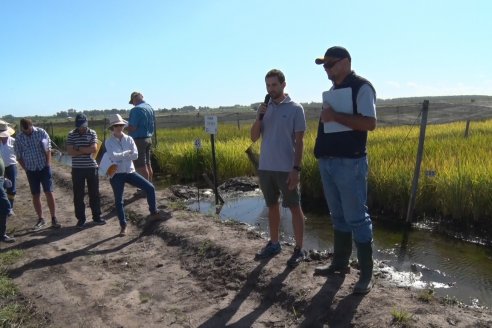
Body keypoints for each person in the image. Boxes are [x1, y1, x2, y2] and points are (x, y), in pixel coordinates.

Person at [312, 46, 377, 294]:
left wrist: (335, 116)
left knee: (357, 218)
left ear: (346, 62)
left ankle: (366, 275)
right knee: (338, 216)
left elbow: (370, 123)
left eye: (330, 64)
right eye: (324, 65)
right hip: (328, 161)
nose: (326, 69)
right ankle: (340, 264)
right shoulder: (333, 91)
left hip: (350, 163)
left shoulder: (362, 87)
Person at [250, 69, 307, 268]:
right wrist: (259, 117)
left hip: (286, 168)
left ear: (283, 84)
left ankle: (299, 249)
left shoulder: (295, 108)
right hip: (266, 167)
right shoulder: (264, 108)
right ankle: (274, 243)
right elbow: (253, 137)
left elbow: (299, 142)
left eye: (274, 85)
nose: (271, 89)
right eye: (268, 86)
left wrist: (296, 169)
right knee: (272, 205)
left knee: (294, 207)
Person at [105, 114, 160, 236]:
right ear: (112, 127)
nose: (119, 127)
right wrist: (126, 153)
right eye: (116, 125)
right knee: (119, 201)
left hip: (130, 171)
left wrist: (121, 155)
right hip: (116, 174)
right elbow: (113, 156)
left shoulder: (129, 139)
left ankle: (153, 212)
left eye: (121, 125)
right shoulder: (109, 142)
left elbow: (135, 155)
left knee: (150, 188)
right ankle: (123, 225)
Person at [14, 118, 61, 230]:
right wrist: (26, 168)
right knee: (35, 194)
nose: (27, 132)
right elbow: (19, 155)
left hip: (43, 167)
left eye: (29, 130)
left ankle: (54, 218)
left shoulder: (41, 132)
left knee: (48, 191)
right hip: (31, 170)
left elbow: (48, 149)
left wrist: (48, 164)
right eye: (25, 130)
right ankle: (41, 219)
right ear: (22, 129)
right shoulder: (19, 138)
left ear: (31, 125)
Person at [66, 113, 105, 228]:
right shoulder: (71, 134)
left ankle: (96, 217)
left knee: (94, 193)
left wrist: (77, 148)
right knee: (78, 195)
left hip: (91, 167)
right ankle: (81, 219)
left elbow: (94, 148)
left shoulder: (92, 132)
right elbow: (70, 152)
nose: (81, 128)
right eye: (79, 126)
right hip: (77, 169)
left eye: (83, 125)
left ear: (86, 123)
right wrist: (85, 150)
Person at [127, 92, 156, 183]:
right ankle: (150, 186)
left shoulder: (136, 110)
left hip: (139, 140)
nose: (133, 104)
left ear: (134, 99)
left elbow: (133, 127)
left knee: (140, 166)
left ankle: (145, 189)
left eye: (132, 102)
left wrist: (122, 126)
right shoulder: (150, 108)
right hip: (148, 139)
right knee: (148, 163)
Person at [0, 121, 17, 215]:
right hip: (0, 168)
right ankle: (3, 207)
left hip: (11, 166)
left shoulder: (13, 141)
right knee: (1, 188)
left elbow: (18, 153)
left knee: (12, 188)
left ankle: (10, 208)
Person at [0, 156, 15, 243]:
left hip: (1, 179)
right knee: (5, 205)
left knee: (2, 209)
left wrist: (4, 176)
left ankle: (2, 234)